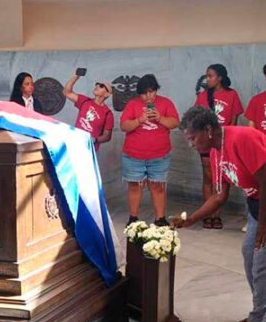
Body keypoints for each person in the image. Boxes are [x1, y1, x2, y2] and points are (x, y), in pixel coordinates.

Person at [175, 106, 266, 322]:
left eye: (192, 138)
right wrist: (191, 219)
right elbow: (219, 196)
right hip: (261, 201)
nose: (190, 145)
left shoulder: (242, 138)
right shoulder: (215, 153)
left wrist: (263, 226)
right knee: (250, 252)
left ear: (208, 130)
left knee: (265, 257)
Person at [120, 74, 179, 227]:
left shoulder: (166, 103)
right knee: (135, 186)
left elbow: (174, 123)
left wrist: (159, 118)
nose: (149, 96)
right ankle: (133, 218)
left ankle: (160, 219)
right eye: (145, 93)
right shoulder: (132, 104)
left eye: (152, 92)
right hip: (134, 155)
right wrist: (139, 120)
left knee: (157, 186)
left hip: (159, 155)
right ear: (139, 93)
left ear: (156, 90)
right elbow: (124, 126)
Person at [193, 64, 244, 229]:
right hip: (206, 143)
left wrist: (228, 142)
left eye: (210, 76)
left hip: (223, 143)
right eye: (206, 76)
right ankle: (207, 214)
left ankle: (217, 215)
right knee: (208, 178)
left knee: (220, 179)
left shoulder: (232, 94)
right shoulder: (203, 96)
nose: (207, 79)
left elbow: (234, 122)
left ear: (220, 77)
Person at [62, 71, 114, 151]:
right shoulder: (85, 101)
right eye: (97, 84)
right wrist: (76, 77)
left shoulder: (107, 113)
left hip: (89, 150)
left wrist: (94, 140)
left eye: (101, 86)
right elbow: (67, 92)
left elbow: (107, 136)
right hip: (74, 145)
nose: (97, 86)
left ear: (106, 94)